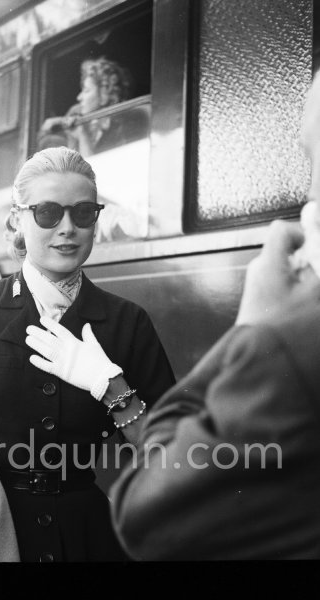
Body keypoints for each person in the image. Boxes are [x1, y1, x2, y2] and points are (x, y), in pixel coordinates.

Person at [0, 146, 175, 562]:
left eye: (83, 214)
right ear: (18, 220)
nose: (67, 228)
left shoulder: (128, 322)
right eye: (47, 213)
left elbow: (175, 453)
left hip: (87, 540)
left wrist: (111, 387)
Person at [102, 74, 320, 560]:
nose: (308, 196)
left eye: (311, 157)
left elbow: (145, 509)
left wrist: (253, 331)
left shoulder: (129, 317)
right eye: (48, 213)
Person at [38, 56, 137, 156]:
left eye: (86, 90)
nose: (79, 97)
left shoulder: (122, 130)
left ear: (104, 95)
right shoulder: (77, 115)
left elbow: (92, 169)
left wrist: (82, 135)